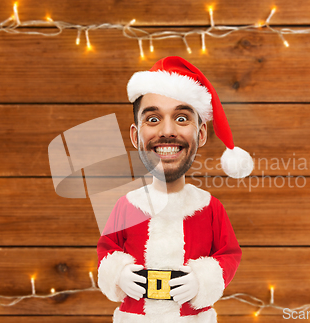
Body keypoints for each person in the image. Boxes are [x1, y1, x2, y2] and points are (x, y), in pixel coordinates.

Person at [96, 56, 253, 322]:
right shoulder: (127, 205)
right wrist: (118, 273)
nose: (167, 131)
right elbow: (107, 250)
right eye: (153, 119)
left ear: (201, 134)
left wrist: (203, 280)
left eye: (181, 118)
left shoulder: (209, 208)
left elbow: (228, 255)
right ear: (136, 136)